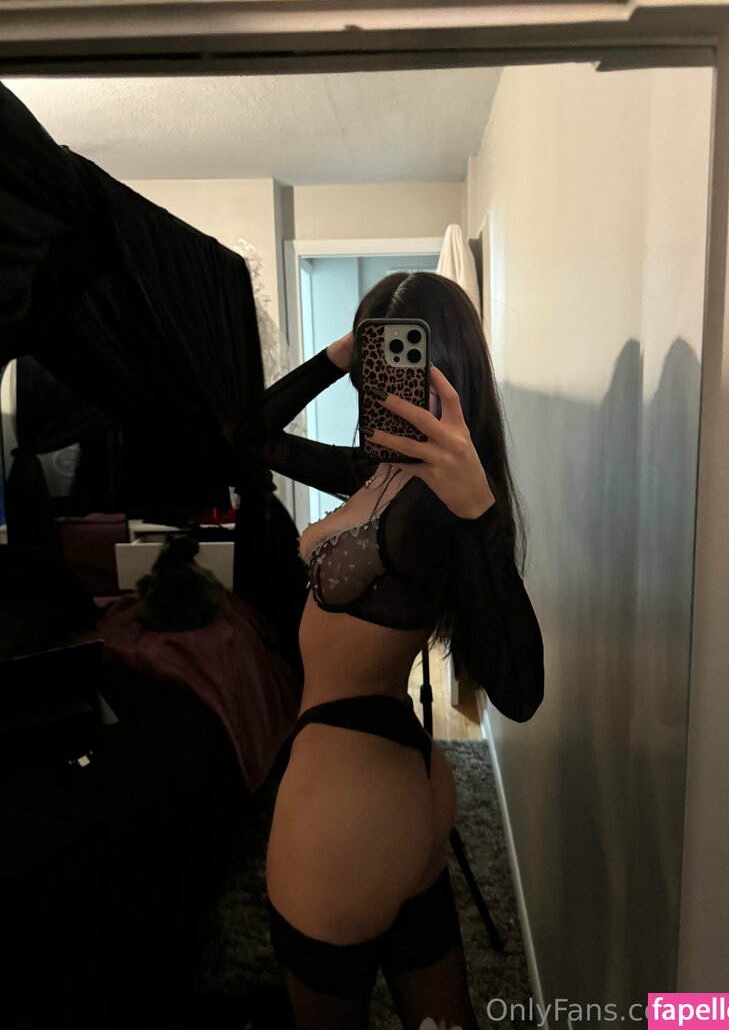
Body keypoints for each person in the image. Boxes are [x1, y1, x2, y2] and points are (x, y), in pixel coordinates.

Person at [227, 272, 544, 1030]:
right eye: (374, 359)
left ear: (448, 372)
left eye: (396, 358)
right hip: (400, 797)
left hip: (344, 825)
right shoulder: (374, 473)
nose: (379, 375)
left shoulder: (436, 504)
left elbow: (521, 693)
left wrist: (480, 514)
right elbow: (248, 436)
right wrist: (340, 351)